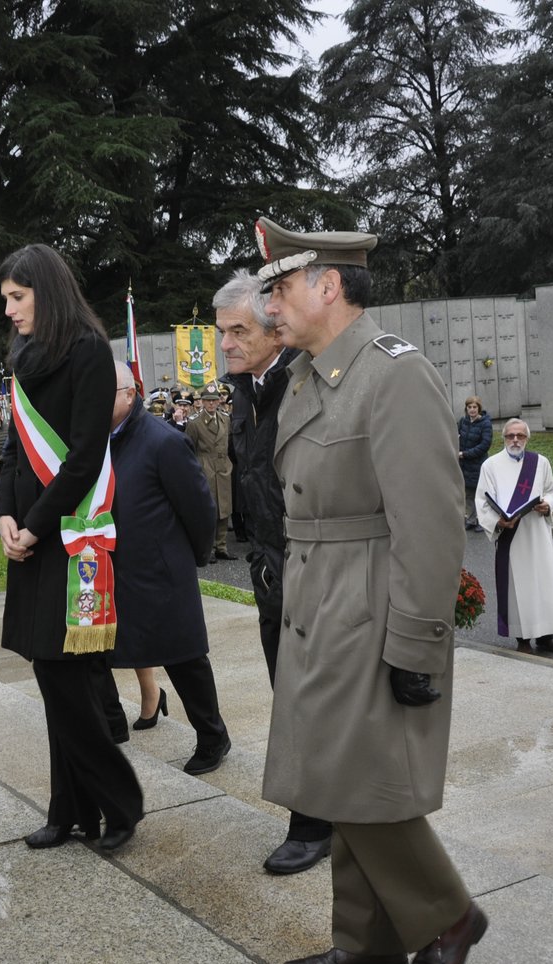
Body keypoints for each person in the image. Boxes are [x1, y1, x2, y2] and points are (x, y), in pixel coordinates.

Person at [255, 216, 486, 964]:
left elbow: (430, 518)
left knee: (359, 777)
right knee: (339, 772)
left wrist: (418, 642)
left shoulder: (393, 374)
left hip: (369, 599)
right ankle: (370, 937)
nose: (270, 305)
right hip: (319, 597)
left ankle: (447, 916)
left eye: (280, 287)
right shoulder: (311, 374)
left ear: (328, 286)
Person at [0, 243, 144, 855]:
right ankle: (70, 809)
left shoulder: (88, 351)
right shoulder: (23, 355)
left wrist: (34, 524)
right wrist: (6, 512)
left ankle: (120, 802)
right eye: (5, 299)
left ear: (46, 294)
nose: (8, 310)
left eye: (18, 298)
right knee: (52, 679)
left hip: (69, 534)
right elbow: (12, 451)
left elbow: (84, 456)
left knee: (69, 683)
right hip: (28, 532)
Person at [214, 268, 334, 876]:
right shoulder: (245, 389)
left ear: (273, 332)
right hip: (271, 571)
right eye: (221, 332)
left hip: (317, 569)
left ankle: (314, 824)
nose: (226, 344)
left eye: (238, 331)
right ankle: (318, 813)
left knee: (313, 702)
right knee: (289, 698)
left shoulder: (304, 383)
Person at [98, 362, 232, 775]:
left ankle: (212, 736)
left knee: (184, 657)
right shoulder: (98, 440)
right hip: (113, 567)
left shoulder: (163, 441)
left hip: (161, 568)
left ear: (129, 393)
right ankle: (115, 723)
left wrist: (189, 556)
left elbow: (199, 507)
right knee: (98, 650)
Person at [475, 418, 553, 655]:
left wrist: (548, 505)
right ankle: (522, 636)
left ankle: (547, 635)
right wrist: (498, 521)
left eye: (520, 436)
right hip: (511, 535)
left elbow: (551, 490)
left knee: (544, 582)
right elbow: (482, 502)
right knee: (518, 586)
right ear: (503, 438)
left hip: (537, 533)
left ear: (527, 438)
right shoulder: (491, 466)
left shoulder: (540, 462)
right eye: (510, 436)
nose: (515, 440)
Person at [186, 381, 234, 560]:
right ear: (203, 402)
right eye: (208, 400)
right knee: (209, 508)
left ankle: (222, 546)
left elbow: (228, 443)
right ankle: (210, 548)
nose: (212, 403)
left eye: (214, 400)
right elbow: (189, 448)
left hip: (223, 467)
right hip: (205, 467)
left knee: (225, 507)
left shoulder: (225, 419)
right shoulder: (195, 423)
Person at [458, 396, 493, 533]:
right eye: (469, 407)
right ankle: (471, 519)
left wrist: (465, 454)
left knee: (480, 494)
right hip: (464, 464)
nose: (472, 410)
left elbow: (485, 445)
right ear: (466, 409)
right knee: (468, 493)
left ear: (479, 408)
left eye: (474, 407)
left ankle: (481, 520)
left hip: (478, 464)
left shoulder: (485, 423)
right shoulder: (463, 421)